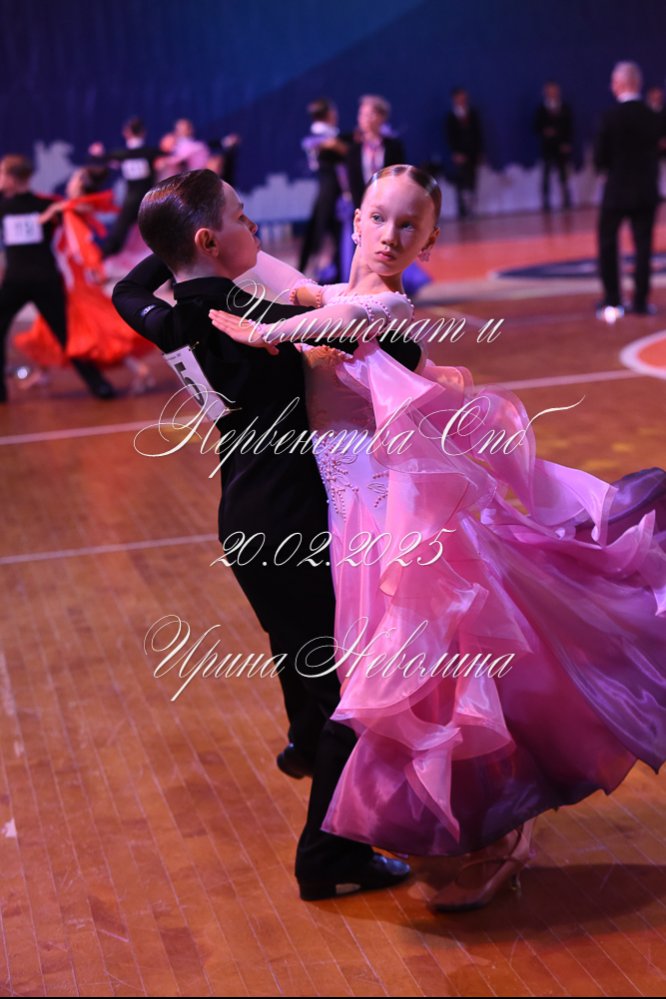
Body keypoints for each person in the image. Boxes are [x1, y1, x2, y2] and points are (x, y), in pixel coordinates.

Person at [211, 164, 666, 911]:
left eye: (409, 225)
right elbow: (271, 275)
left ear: (429, 242)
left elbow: (333, 321)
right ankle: (411, 818)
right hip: (349, 517)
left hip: (397, 521)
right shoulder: (328, 294)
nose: (390, 235)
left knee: (422, 676)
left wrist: (264, 329)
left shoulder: (383, 304)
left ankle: (462, 824)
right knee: (400, 681)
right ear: (354, 220)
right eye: (379, 217)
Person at [112, 168, 418, 900]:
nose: (254, 228)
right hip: (288, 518)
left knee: (302, 653)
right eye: (241, 218)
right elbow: (392, 349)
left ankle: (305, 743)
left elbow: (126, 290)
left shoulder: (172, 316)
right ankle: (328, 856)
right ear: (210, 240)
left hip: (244, 515)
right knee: (353, 689)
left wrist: (173, 247)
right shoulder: (242, 313)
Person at [13, 166, 154, 394]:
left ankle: (140, 369)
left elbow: (81, 245)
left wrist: (94, 267)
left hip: (74, 281)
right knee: (48, 325)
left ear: (79, 186)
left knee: (96, 329)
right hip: (67, 277)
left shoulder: (71, 210)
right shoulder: (71, 207)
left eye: (74, 179)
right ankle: (42, 373)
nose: (70, 182)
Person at [0, 154, 115, 401]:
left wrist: (72, 196)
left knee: (66, 333)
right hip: (15, 282)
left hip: (44, 281)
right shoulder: (5, 205)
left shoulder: (46, 204)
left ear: (12, 178)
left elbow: (82, 209)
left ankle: (99, 385)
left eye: (2, 174)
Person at [594, 61, 661, 320]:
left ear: (621, 84)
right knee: (643, 246)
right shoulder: (652, 116)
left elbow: (600, 158)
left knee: (608, 242)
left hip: (616, 191)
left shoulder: (610, 117)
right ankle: (641, 301)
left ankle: (613, 300)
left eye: (613, 82)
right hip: (645, 191)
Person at [89, 116, 162, 259]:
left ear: (127, 133)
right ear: (143, 132)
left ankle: (103, 257)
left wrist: (98, 154)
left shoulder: (123, 154)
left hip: (135, 199)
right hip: (149, 199)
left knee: (120, 232)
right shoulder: (149, 152)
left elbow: (101, 160)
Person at [298, 98, 347, 280]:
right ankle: (309, 272)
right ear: (327, 114)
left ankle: (334, 271)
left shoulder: (328, 136)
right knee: (321, 231)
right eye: (332, 111)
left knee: (329, 231)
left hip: (331, 188)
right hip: (329, 188)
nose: (335, 115)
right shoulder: (322, 135)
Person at [345, 95, 405, 209]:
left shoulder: (393, 146)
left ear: (382, 117)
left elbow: (399, 177)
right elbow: (353, 183)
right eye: (362, 114)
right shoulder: (354, 149)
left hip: (389, 204)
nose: (365, 119)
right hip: (363, 205)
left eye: (370, 114)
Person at [534, 81, 573, 211]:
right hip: (547, 147)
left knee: (563, 174)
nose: (552, 93)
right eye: (549, 91)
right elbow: (536, 126)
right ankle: (546, 201)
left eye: (554, 90)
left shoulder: (564, 108)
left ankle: (566, 199)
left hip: (560, 146)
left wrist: (566, 143)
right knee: (546, 174)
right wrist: (545, 131)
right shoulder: (541, 109)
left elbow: (569, 127)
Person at [445, 88, 483, 219]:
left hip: (472, 153)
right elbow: (450, 136)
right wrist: (455, 152)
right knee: (462, 182)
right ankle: (463, 210)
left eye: (464, 97)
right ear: (454, 99)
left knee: (472, 180)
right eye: (459, 97)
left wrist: (479, 151)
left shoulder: (472, 113)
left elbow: (478, 133)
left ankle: (472, 209)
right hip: (460, 154)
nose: (462, 100)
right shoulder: (451, 117)